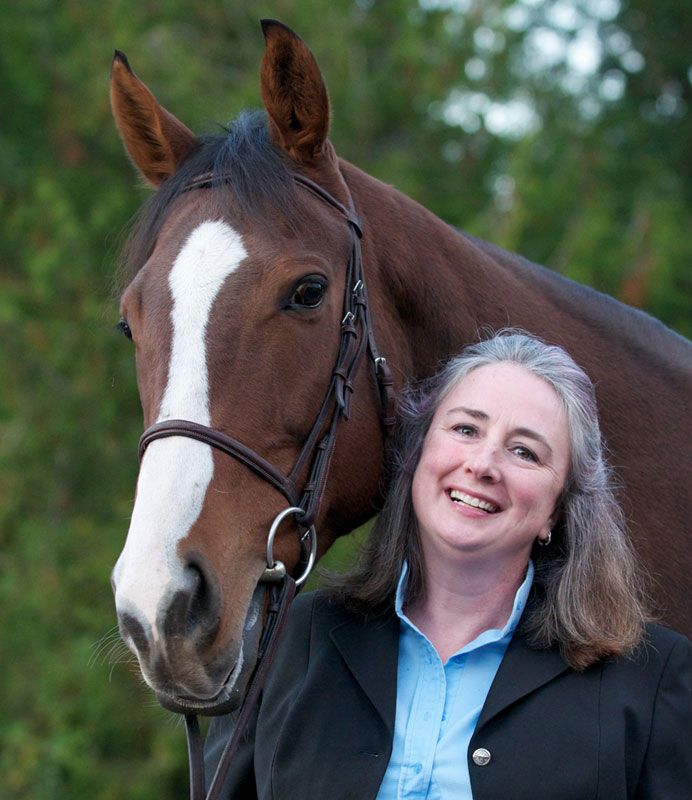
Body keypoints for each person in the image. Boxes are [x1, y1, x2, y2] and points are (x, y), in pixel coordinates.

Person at [205, 331, 692, 799]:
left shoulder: (651, 679)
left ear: (557, 510)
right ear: (419, 453)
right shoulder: (289, 639)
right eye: (466, 429)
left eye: (524, 451)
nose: (483, 464)